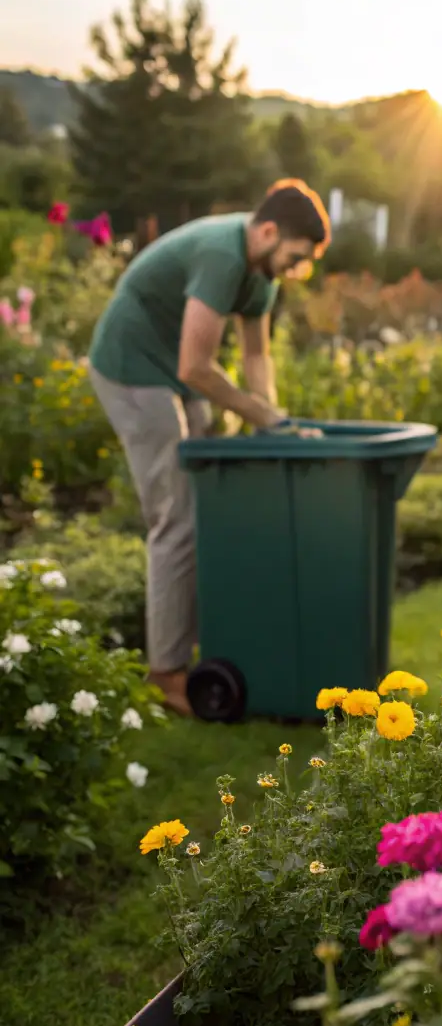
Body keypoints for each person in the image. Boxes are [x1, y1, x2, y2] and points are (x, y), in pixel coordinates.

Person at [88, 179, 330, 715]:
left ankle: (196, 646)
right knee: (176, 516)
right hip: (131, 368)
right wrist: (260, 413)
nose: (294, 271)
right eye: (293, 257)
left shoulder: (261, 272)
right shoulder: (223, 254)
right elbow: (194, 366)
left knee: (209, 505)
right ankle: (167, 676)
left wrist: (274, 426)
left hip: (171, 374)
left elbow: (257, 358)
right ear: (268, 231)